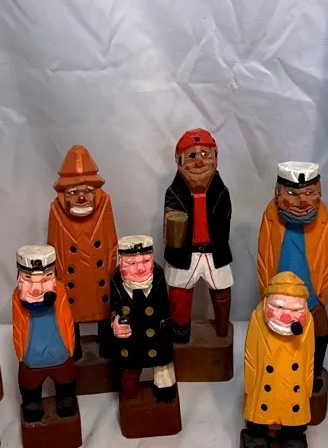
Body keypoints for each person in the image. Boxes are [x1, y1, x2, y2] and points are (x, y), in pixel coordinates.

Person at [257, 161, 328, 392]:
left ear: (319, 191)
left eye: (309, 193)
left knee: (319, 328)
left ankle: (314, 370)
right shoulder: (271, 214)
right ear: (278, 192)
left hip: (311, 291)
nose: (302, 201)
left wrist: (322, 294)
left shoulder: (322, 216)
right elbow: (263, 254)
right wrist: (265, 291)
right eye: (292, 193)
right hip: (277, 291)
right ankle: (277, 370)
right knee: (275, 330)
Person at [47, 145, 118, 359]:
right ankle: (74, 347)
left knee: (104, 310)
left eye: (87, 191)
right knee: (71, 313)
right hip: (71, 278)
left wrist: (112, 270)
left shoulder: (105, 205)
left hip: (100, 276)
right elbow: (53, 246)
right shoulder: (56, 210)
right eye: (73, 192)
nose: (81, 198)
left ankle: (107, 344)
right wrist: (57, 276)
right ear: (63, 194)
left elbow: (111, 242)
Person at [163, 129, 233, 343]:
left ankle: (222, 328)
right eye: (192, 156)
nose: (199, 162)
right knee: (179, 291)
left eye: (205, 154)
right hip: (185, 252)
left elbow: (225, 220)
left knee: (222, 288)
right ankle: (180, 330)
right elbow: (170, 226)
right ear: (179, 160)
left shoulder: (221, 191)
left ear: (216, 157)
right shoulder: (173, 193)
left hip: (214, 251)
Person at [243, 272, 314, 448]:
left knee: (293, 411)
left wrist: (308, 386)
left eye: (296, 310)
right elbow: (250, 354)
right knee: (260, 408)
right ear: (267, 302)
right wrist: (250, 384)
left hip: (294, 382)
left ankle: (292, 433)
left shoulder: (308, 324)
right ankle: (258, 431)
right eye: (279, 307)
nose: (286, 317)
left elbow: (309, 357)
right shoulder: (257, 319)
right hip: (264, 382)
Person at [12, 245, 77, 423]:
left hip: (59, 352)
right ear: (19, 277)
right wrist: (20, 354)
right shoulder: (18, 297)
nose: (36, 289)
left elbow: (68, 321)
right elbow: (17, 326)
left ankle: (66, 398)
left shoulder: (60, 291)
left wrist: (70, 349)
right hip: (31, 356)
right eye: (28, 278)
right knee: (29, 383)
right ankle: (32, 402)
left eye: (45, 279)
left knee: (65, 380)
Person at [110, 235, 176, 402]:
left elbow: (165, 309)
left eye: (146, 261)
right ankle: (130, 395)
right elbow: (113, 307)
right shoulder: (115, 279)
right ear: (121, 261)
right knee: (129, 378)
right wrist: (115, 321)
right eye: (132, 263)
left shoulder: (158, 275)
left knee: (163, 372)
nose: (140, 269)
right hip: (130, 339)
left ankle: (164, 390)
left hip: (156, 336)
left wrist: (167, 332)